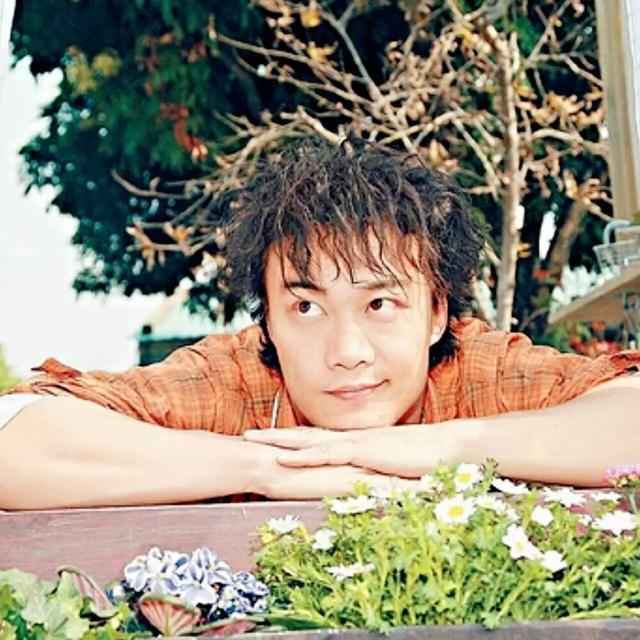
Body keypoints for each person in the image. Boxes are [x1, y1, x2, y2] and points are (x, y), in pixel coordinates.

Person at [1, 138, 639, 510]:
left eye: (380, 305)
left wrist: (440, 448)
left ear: (437, 312)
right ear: (268, 324)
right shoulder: (231, 380)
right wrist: (266, 469)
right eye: (306, 308)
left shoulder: (481, 371)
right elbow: (16, 436)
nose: (347, 351)